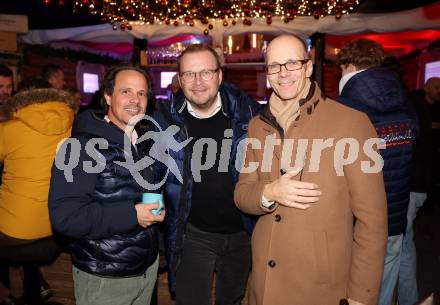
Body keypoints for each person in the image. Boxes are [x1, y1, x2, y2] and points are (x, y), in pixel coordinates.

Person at [234, 34, 388, 305]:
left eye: (292, 63)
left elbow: (372, 221)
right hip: (264, 282)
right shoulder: (258, 125)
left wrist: (362, 296)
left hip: (320, 287)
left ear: (307, 66)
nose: (283, 74)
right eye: (274, 66)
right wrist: (269, 191)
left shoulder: (351, 123)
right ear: (267, 72)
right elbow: (242, 194)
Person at [152, 44, 260, 305]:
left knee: (232, 300)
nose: (198, 82)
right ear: (179, 79)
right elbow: (152, 173)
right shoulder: (164, 120)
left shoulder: (250, 115)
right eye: (189, 74)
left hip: (244, 232)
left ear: (220, 75)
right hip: (193, 233)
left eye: (206, 73)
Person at [48, 64, 164, 305]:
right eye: (126, 91)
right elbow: (65, 218)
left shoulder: (143, 142)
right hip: (105, 277)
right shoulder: (79, 147)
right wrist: (132, 215)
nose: (135, 100)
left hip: (145, 268)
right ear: (108, 96)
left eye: (141, 93)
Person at [337, 39, 417, 305]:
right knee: (383, 291)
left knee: (354, 290)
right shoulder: (405, 101)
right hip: (396, 215)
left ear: (347, 66)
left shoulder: (345, 107)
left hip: (356, 220)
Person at [0, 82, 77, 305]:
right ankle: (34, 290)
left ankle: (5, 296)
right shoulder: (72, 123)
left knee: (14, 224)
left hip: (17, 236)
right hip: (57, 231)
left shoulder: (9, 129)